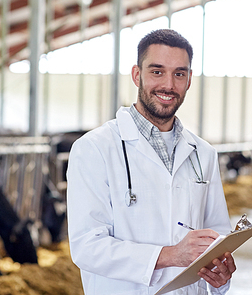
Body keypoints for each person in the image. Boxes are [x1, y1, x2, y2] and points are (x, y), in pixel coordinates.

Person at [67, 29, 235, 295]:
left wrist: (220, 273)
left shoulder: (203, 153)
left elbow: (217, 236)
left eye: (179, 73)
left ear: (189, 80)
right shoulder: (94, 149)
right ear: (137, 75)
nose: (168, 85)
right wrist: (170, 255)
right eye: (157, 71)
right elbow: (87, 247)